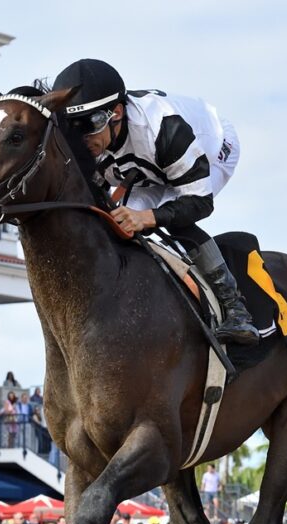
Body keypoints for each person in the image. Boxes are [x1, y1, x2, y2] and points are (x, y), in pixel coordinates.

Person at [52, 59, 259, 345]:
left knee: (171, 220)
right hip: (147, 166)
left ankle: (236, 308)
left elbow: (199, 203)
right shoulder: (92, 140)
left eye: (90, 125)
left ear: (116, 113)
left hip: (211, 148)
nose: (82, 138)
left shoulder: (163, 129)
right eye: (72, 127)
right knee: (118, 224)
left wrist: (148, 217)